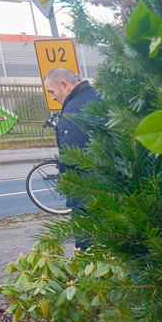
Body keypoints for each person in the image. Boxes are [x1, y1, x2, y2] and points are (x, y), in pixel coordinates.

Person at [43, 67, 100, 245]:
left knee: (88, 251)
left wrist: (66, 184)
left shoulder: (73, 113)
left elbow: (73, 159)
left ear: (65, 85)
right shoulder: (98, 97)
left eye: (52, 91)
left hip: (87, 196)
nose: (52, 97)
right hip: (111, 191)